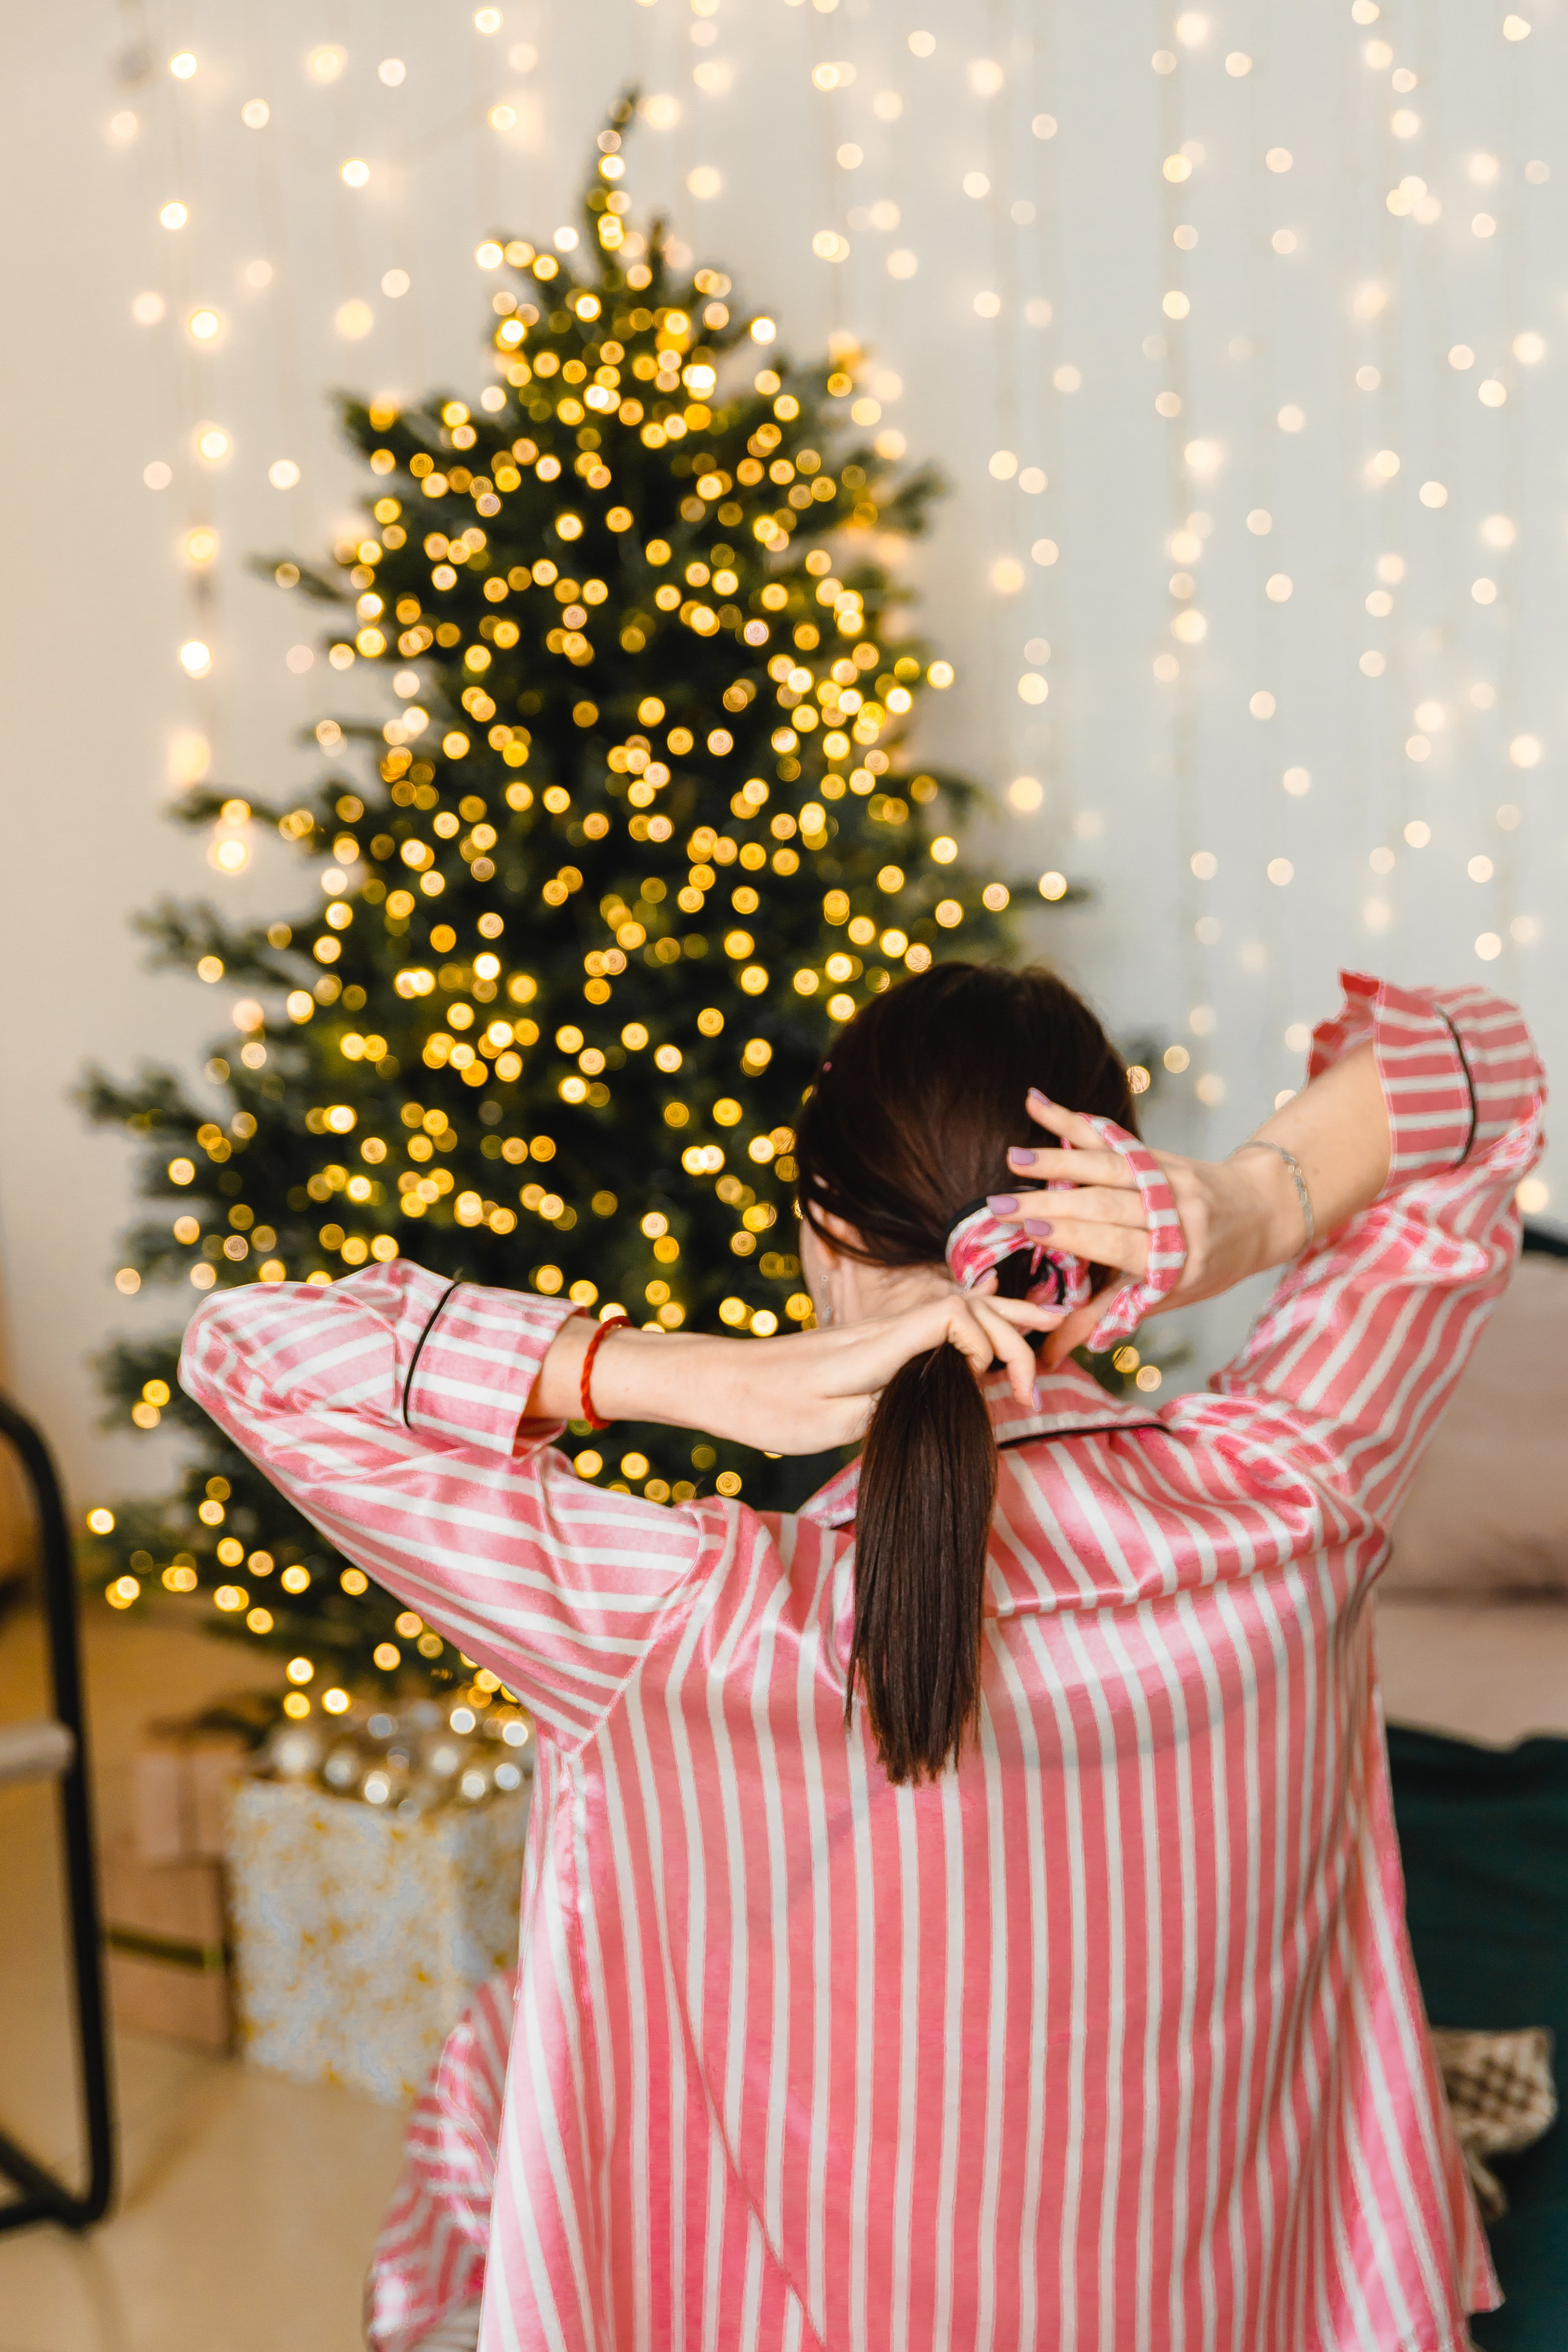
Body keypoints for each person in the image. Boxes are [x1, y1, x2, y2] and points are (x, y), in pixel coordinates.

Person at [183, 962, 1543, 2352]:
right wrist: (1250, 1205)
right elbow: (1477, 1062)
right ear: (1111, 1237)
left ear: (819, 1227)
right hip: (1228, 2304)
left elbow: (249, 1352)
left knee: (496, 2052)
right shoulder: (1289, 1496)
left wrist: (685, 1373)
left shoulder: (683, 1618)